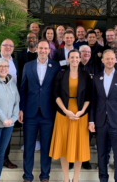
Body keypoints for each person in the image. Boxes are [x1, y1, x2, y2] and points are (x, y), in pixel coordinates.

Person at [48, 50, 93, 182]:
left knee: (79, 147)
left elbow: (89, 96)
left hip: (80, 114)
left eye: (77, 57)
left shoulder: (85, 75)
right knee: (64, 146)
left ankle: (76, 178)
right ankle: (66, 178)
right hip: (63, 114)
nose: (74, 59)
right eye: (72, 57)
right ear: (68, 59)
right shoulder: (60, 74)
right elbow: (55, 95)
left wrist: (82, 111)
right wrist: (66, 111)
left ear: (80, 59)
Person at [20, 39, 61, 182]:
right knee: (29, 147)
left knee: (46, 147)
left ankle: (45, 176)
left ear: (49, 51)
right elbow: (23, 89)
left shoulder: (55, 67)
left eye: (46, 48)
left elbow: (58, 90)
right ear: (36, 49)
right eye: (41, 48)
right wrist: (21, 109)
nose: (43, 50)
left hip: (48, 113)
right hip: (30, 113)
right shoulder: (28, 66)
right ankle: (27, 177)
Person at [89, 49, 117, 182]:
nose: (110, 61)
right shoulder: (96, 78)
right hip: (100, 123)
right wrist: (91, 121)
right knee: (101, 155)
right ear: (102, 60)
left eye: (112, 58)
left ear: (115, 60)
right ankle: (103, 179)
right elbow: (93, 101)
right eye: (107, 58)